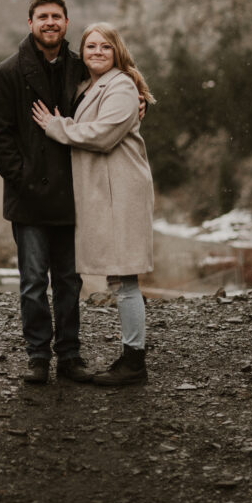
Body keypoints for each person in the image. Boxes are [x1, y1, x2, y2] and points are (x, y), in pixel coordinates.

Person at [32, 22, 155, 386]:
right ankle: (132, 356)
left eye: (105, 46)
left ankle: (134, 361)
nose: (98, 52)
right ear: (82, 54)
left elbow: (102, 136)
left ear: (117, 50)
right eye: (90, 47)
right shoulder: (90, 86)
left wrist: (56, 126)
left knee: (126, 278)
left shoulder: (120, 85)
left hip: (122, 192)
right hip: (108, 192)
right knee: (120, 277)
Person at [0, 0, 92, 384]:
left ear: (67, 23)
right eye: (42, 16)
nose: (50, 22)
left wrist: (142, 100)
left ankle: (69, 355)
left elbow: (119, 88)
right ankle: (37, 357)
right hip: (28, 198)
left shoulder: (81, 69)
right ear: (30, 24)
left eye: (57, 17)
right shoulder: (8, 72)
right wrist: (25, 180)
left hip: (70, 196)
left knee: (69, 280)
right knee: (32, 282)